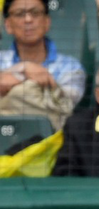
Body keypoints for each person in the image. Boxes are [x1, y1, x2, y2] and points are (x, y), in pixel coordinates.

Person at [0, 0, 86, 130]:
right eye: (19, 14)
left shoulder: (71, 67)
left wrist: (11, 81)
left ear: (47, 22)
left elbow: (60, 112)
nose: (28, 19)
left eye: (35, 13)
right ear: (7, 25)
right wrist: (24, 69)